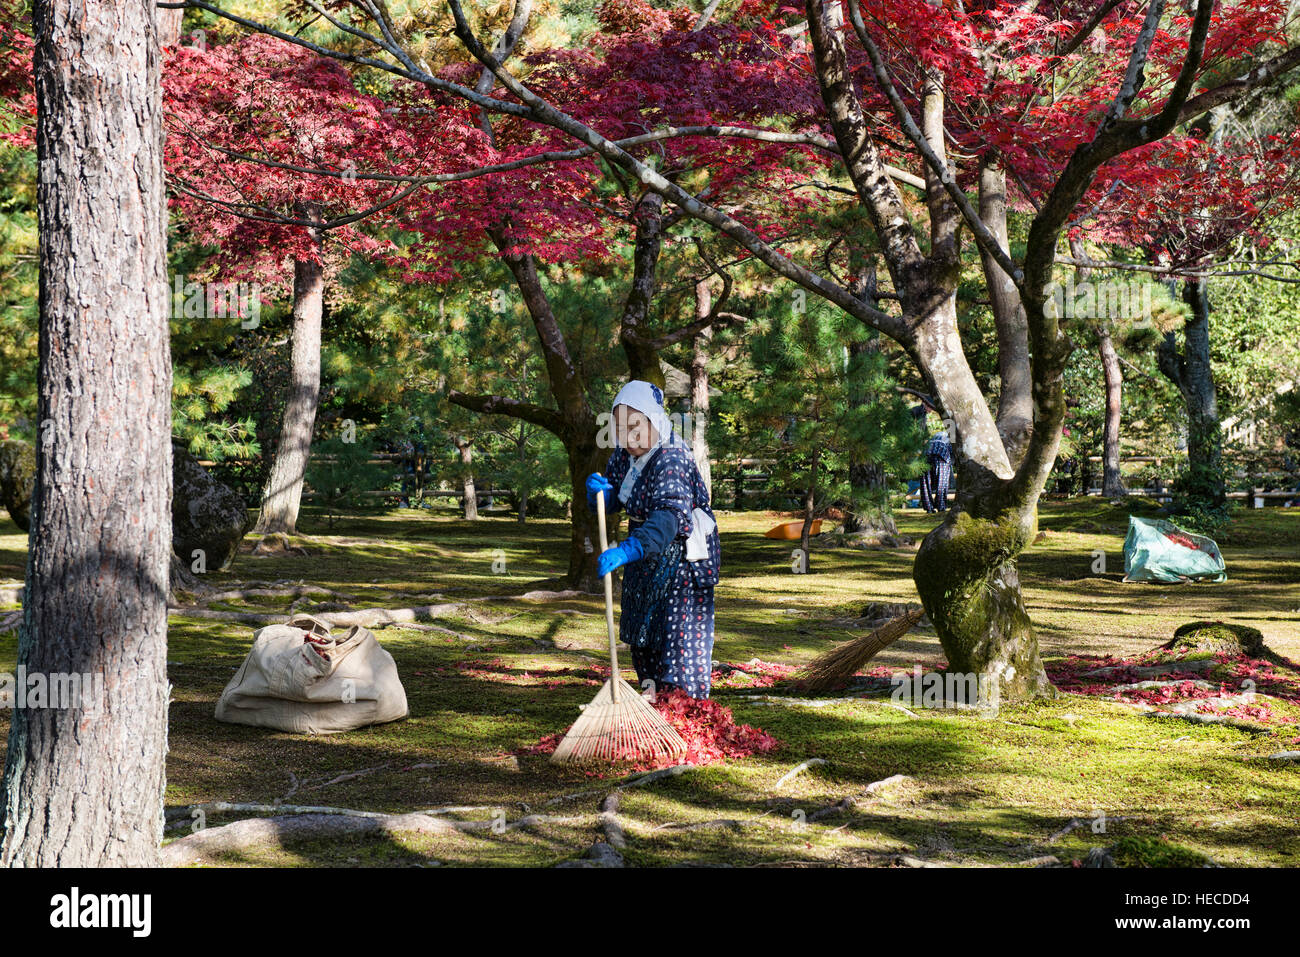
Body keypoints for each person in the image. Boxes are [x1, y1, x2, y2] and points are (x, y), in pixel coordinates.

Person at [585, 380, 721, 699]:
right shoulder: (623, 455)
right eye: (619, 428)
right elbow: (618, 497)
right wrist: (602, 496)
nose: (627, 436)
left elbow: (668, 518)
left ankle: (684, 708)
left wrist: (629, 549)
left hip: (682, 555)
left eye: (634, 427)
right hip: (646, 555)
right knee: (643, 631)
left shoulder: (671, 457)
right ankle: (651, 699)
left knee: (676, 635)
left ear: (653, 420)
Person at [920, 428, 953, 513]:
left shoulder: (935, 437)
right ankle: (941, 506)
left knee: (925, 482)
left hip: (926, 454)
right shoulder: (951, 439)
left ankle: (929, 507)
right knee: (942, 482)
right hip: (942, 454)